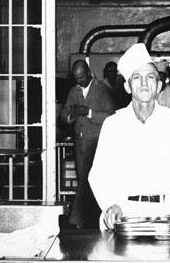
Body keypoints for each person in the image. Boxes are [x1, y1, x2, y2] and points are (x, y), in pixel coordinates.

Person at [88, 43, 170, 231]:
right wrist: (111, 204)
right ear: (127, 86)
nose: (143, 83)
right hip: (123, 216)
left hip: (168, 215)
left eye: (150, 77)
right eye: (137, 77)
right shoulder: (113, 125)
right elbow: (99, 174)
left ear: (158, 86)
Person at [60, 59, 115, 228]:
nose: (79, 81)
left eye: (82, 77)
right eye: (76, 78)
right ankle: (90, 219)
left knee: (88, 180)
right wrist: (71, 115)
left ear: (89, 73)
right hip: (81, 142)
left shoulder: (102, 90)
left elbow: (111, 117)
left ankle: (77, 219)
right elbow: (63, 114)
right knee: (85, 180)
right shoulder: (73, 91)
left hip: (97, 141)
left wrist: (88, 112)